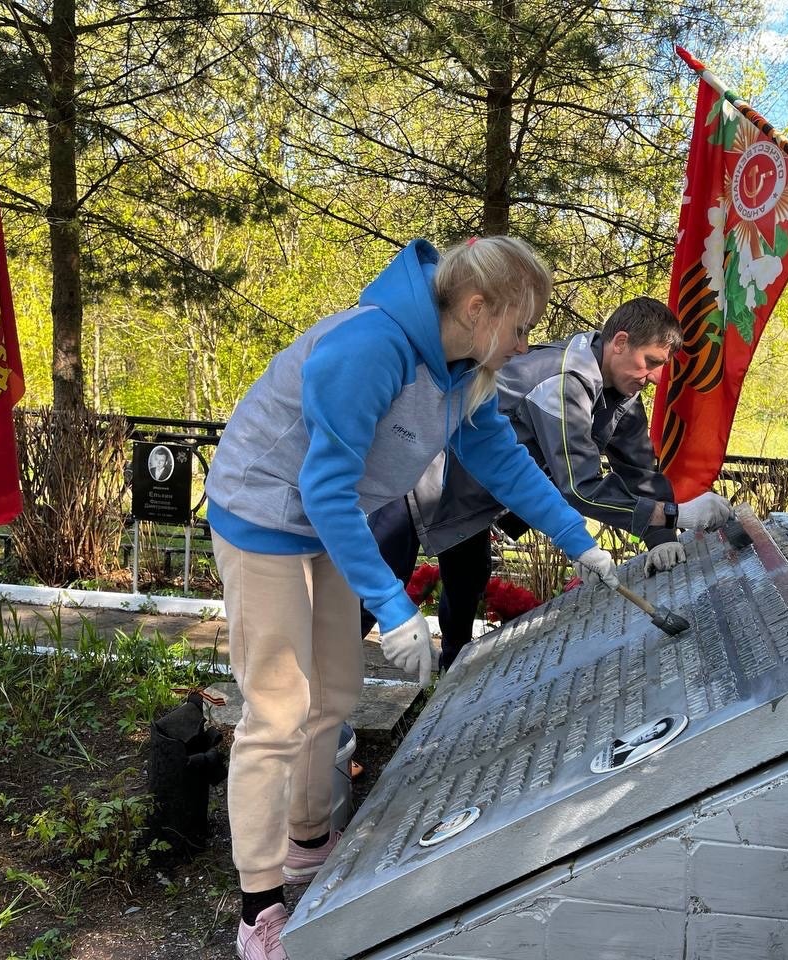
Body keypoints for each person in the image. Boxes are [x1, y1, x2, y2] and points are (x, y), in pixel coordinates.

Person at [204, 236, 619, 960]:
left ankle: (306, 840)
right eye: (521, 326)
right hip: (265, 513)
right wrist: (396, 608)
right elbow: (323, 487)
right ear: (477, 307)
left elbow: (502, 461)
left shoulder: (465, 370)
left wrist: (578, 542)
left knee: (335, 692)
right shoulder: (372, 347)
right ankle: (257, 907)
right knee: (276, 709)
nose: (526, 344)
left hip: (331, 518)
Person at [359, 297, 734, 669]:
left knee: (468, 581)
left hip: (473, 499)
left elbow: (639, 472)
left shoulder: (621, 395)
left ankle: (448, 680)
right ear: (620, 342)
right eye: (651, 362)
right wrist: (674, 514)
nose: (655, 377)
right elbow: (580, 486)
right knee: (373, 591)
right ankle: (328, 681)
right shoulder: (563, 381)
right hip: (419, 481)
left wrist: (662, 538)